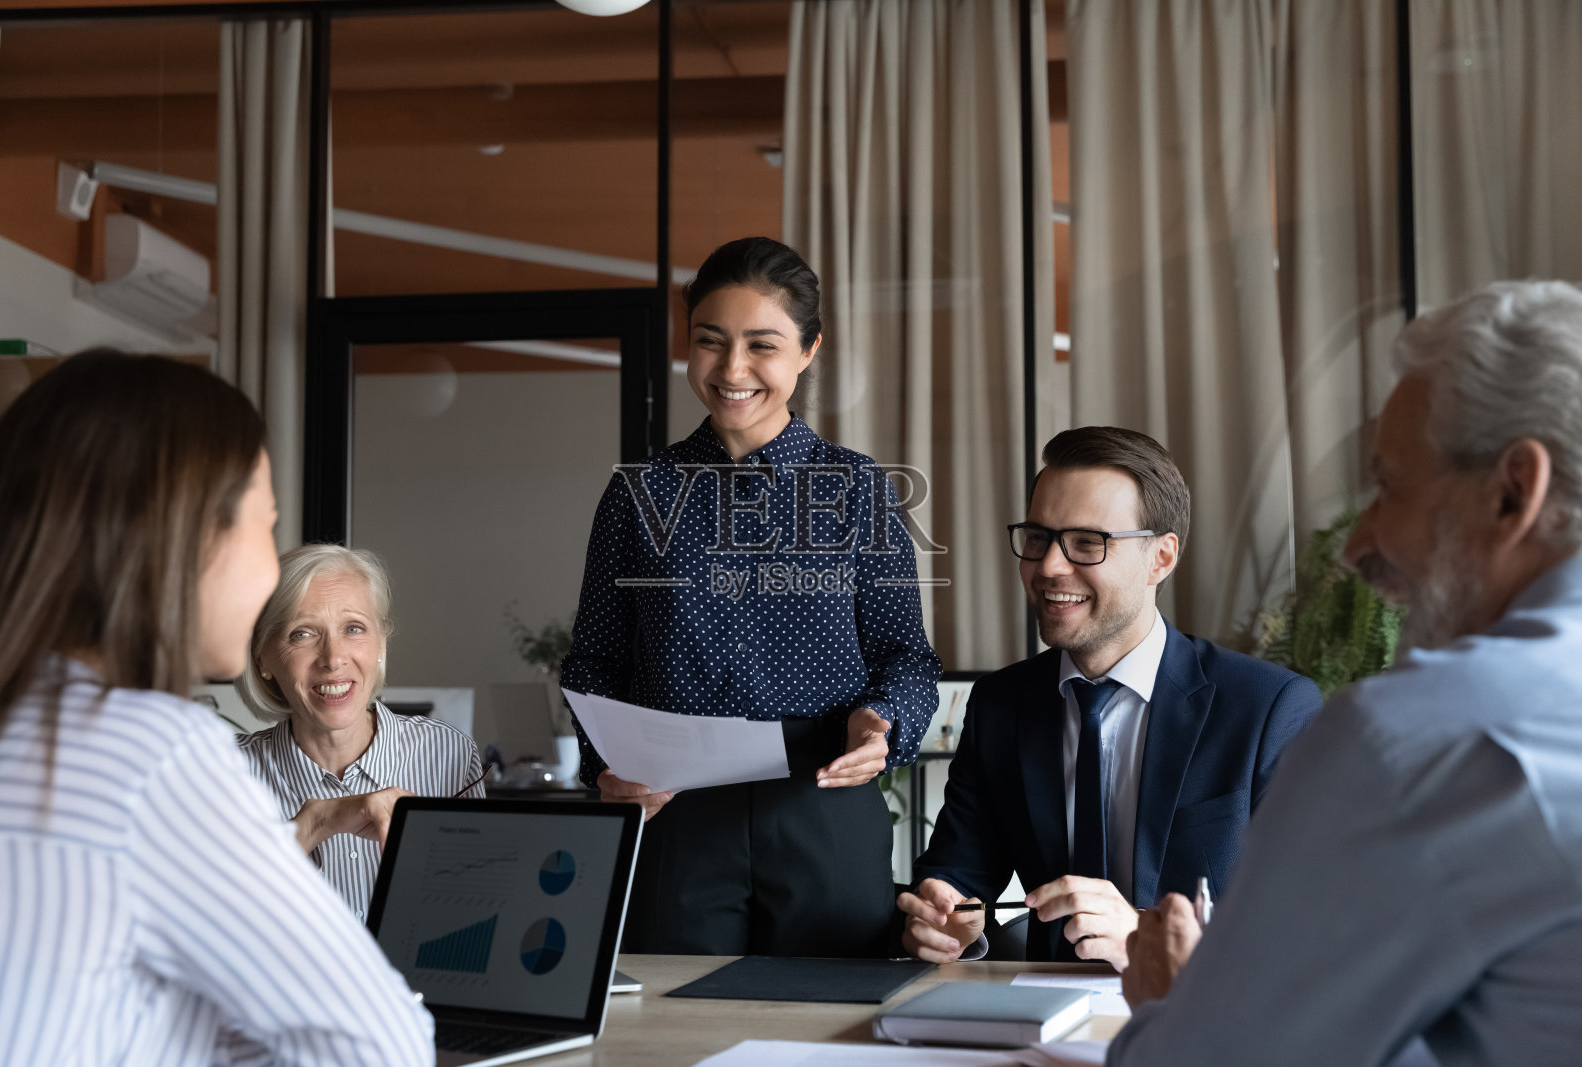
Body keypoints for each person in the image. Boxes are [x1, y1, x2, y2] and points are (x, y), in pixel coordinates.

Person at [1112, 280, 1582, 1065]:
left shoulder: (1414, 741)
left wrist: (1179, 1005)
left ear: (1512, 492)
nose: (1357, 543)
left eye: (1390, 486)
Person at [0, 352, 432, 1066]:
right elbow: (378, 1044)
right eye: (266, 524)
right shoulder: (150, 751)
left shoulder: (11, 723)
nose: (269, 574)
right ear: (186, 537)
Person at [561, 236, 942, 957]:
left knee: (831, 1026)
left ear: (808, 350)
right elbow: (595, 662)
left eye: (761, 344)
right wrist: (603, 765)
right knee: (672, 1038)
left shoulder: (858, 489)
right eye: (710, 341)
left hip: (822, 800)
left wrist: (883, 722)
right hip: (675, 814)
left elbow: (906, 655)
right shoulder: (638, 494)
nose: (732, 369)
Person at [899, 427, 1322, 966]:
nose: (1049, 566)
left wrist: (1146, 933)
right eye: (1037, 537)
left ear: (1161, 558)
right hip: (1039, 1016)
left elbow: (1314, 911)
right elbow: (959, 872)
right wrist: (944, 917)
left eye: (1086, 543)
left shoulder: (1269, 709)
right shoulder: (1002, 704)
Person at [236, 544, 484, 921]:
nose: (333, 658)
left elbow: (480, 911)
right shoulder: (225, 772)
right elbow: (203, 927)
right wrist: (313, 825)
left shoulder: (449, 754)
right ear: (262, 657)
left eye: (354, 628)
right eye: (302, 634)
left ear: (380, 644)